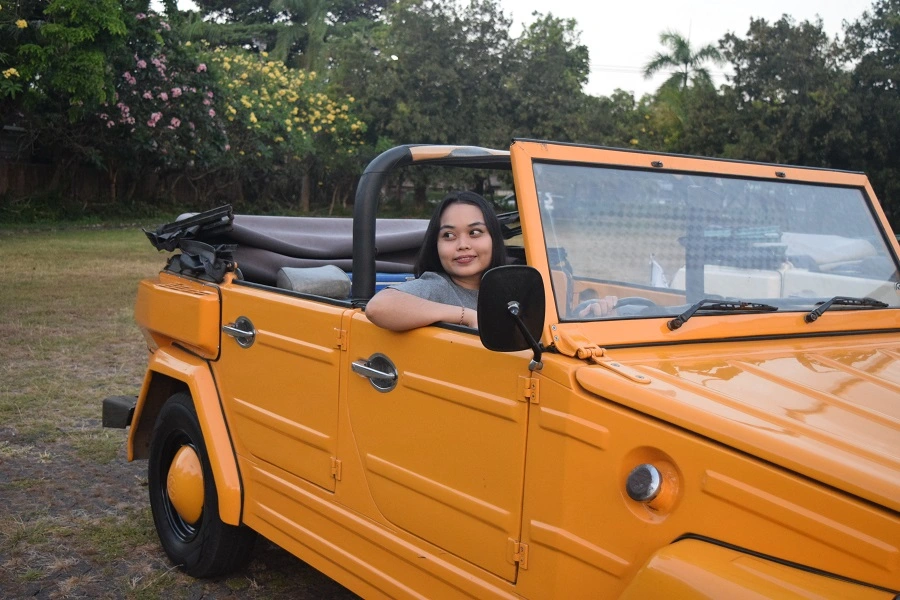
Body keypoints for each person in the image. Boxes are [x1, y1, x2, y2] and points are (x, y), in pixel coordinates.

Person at [365, 191, 507, 331]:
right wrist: (467, 316)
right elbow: (378, 307)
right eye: (449, 235)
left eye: (474, 232)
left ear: (494, 238)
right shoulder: (438, 287)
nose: (463, 245)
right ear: (436, 245)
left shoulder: (510, 287)